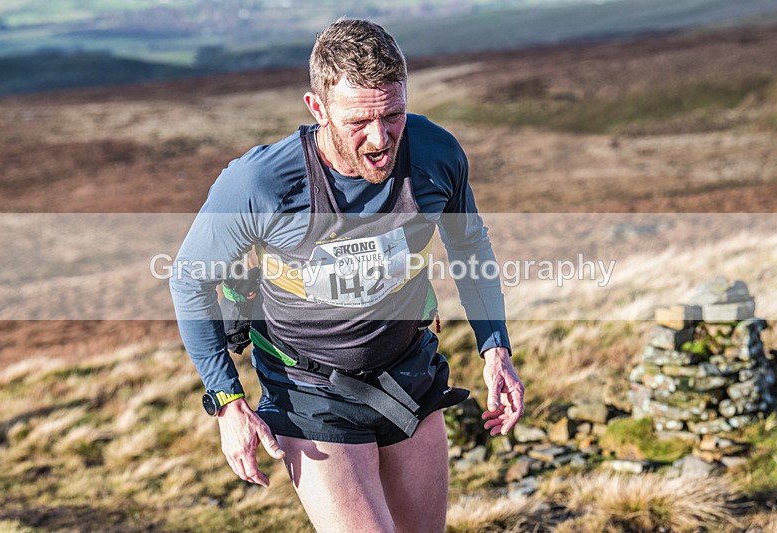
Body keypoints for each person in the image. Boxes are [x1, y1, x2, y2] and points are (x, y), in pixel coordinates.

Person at [170, 18, 524, 533]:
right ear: (318, 108)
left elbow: (468, 243)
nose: (381, 139)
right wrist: (227, 403)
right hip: (309, 390)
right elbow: (189, 279)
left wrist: (496, 349)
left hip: (408, 372)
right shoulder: (261, 184)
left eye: (394, 115)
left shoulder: (435, 154)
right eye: (359, 121)